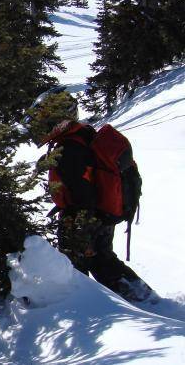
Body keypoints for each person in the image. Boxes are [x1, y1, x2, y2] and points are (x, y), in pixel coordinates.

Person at [24, 86, 155, 303]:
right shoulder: (82, 133)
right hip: (100, 213)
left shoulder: (68, 149)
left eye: (45, 119)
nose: (40, 125)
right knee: (103, 261)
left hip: (83, 217)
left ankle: (84, 310)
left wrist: (81, 231)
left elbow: (83, 192)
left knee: (75, 271)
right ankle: (147, 300)